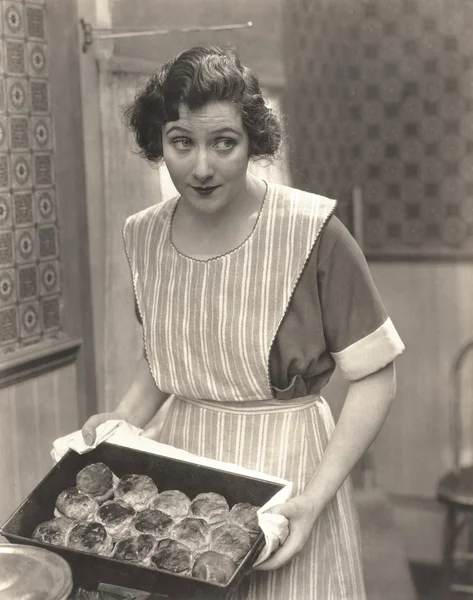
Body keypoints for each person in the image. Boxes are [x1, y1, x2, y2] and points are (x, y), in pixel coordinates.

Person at [82, 45, 405, 599]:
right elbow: (168, 357)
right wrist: (124, 418)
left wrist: (314, 498)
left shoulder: (313, 233)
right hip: (181, 481)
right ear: (159, 142)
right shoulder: (142, 234)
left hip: (291, 475)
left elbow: (376, 377)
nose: (201, 166)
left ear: (254, 141)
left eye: (223, 143)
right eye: (182, 142)